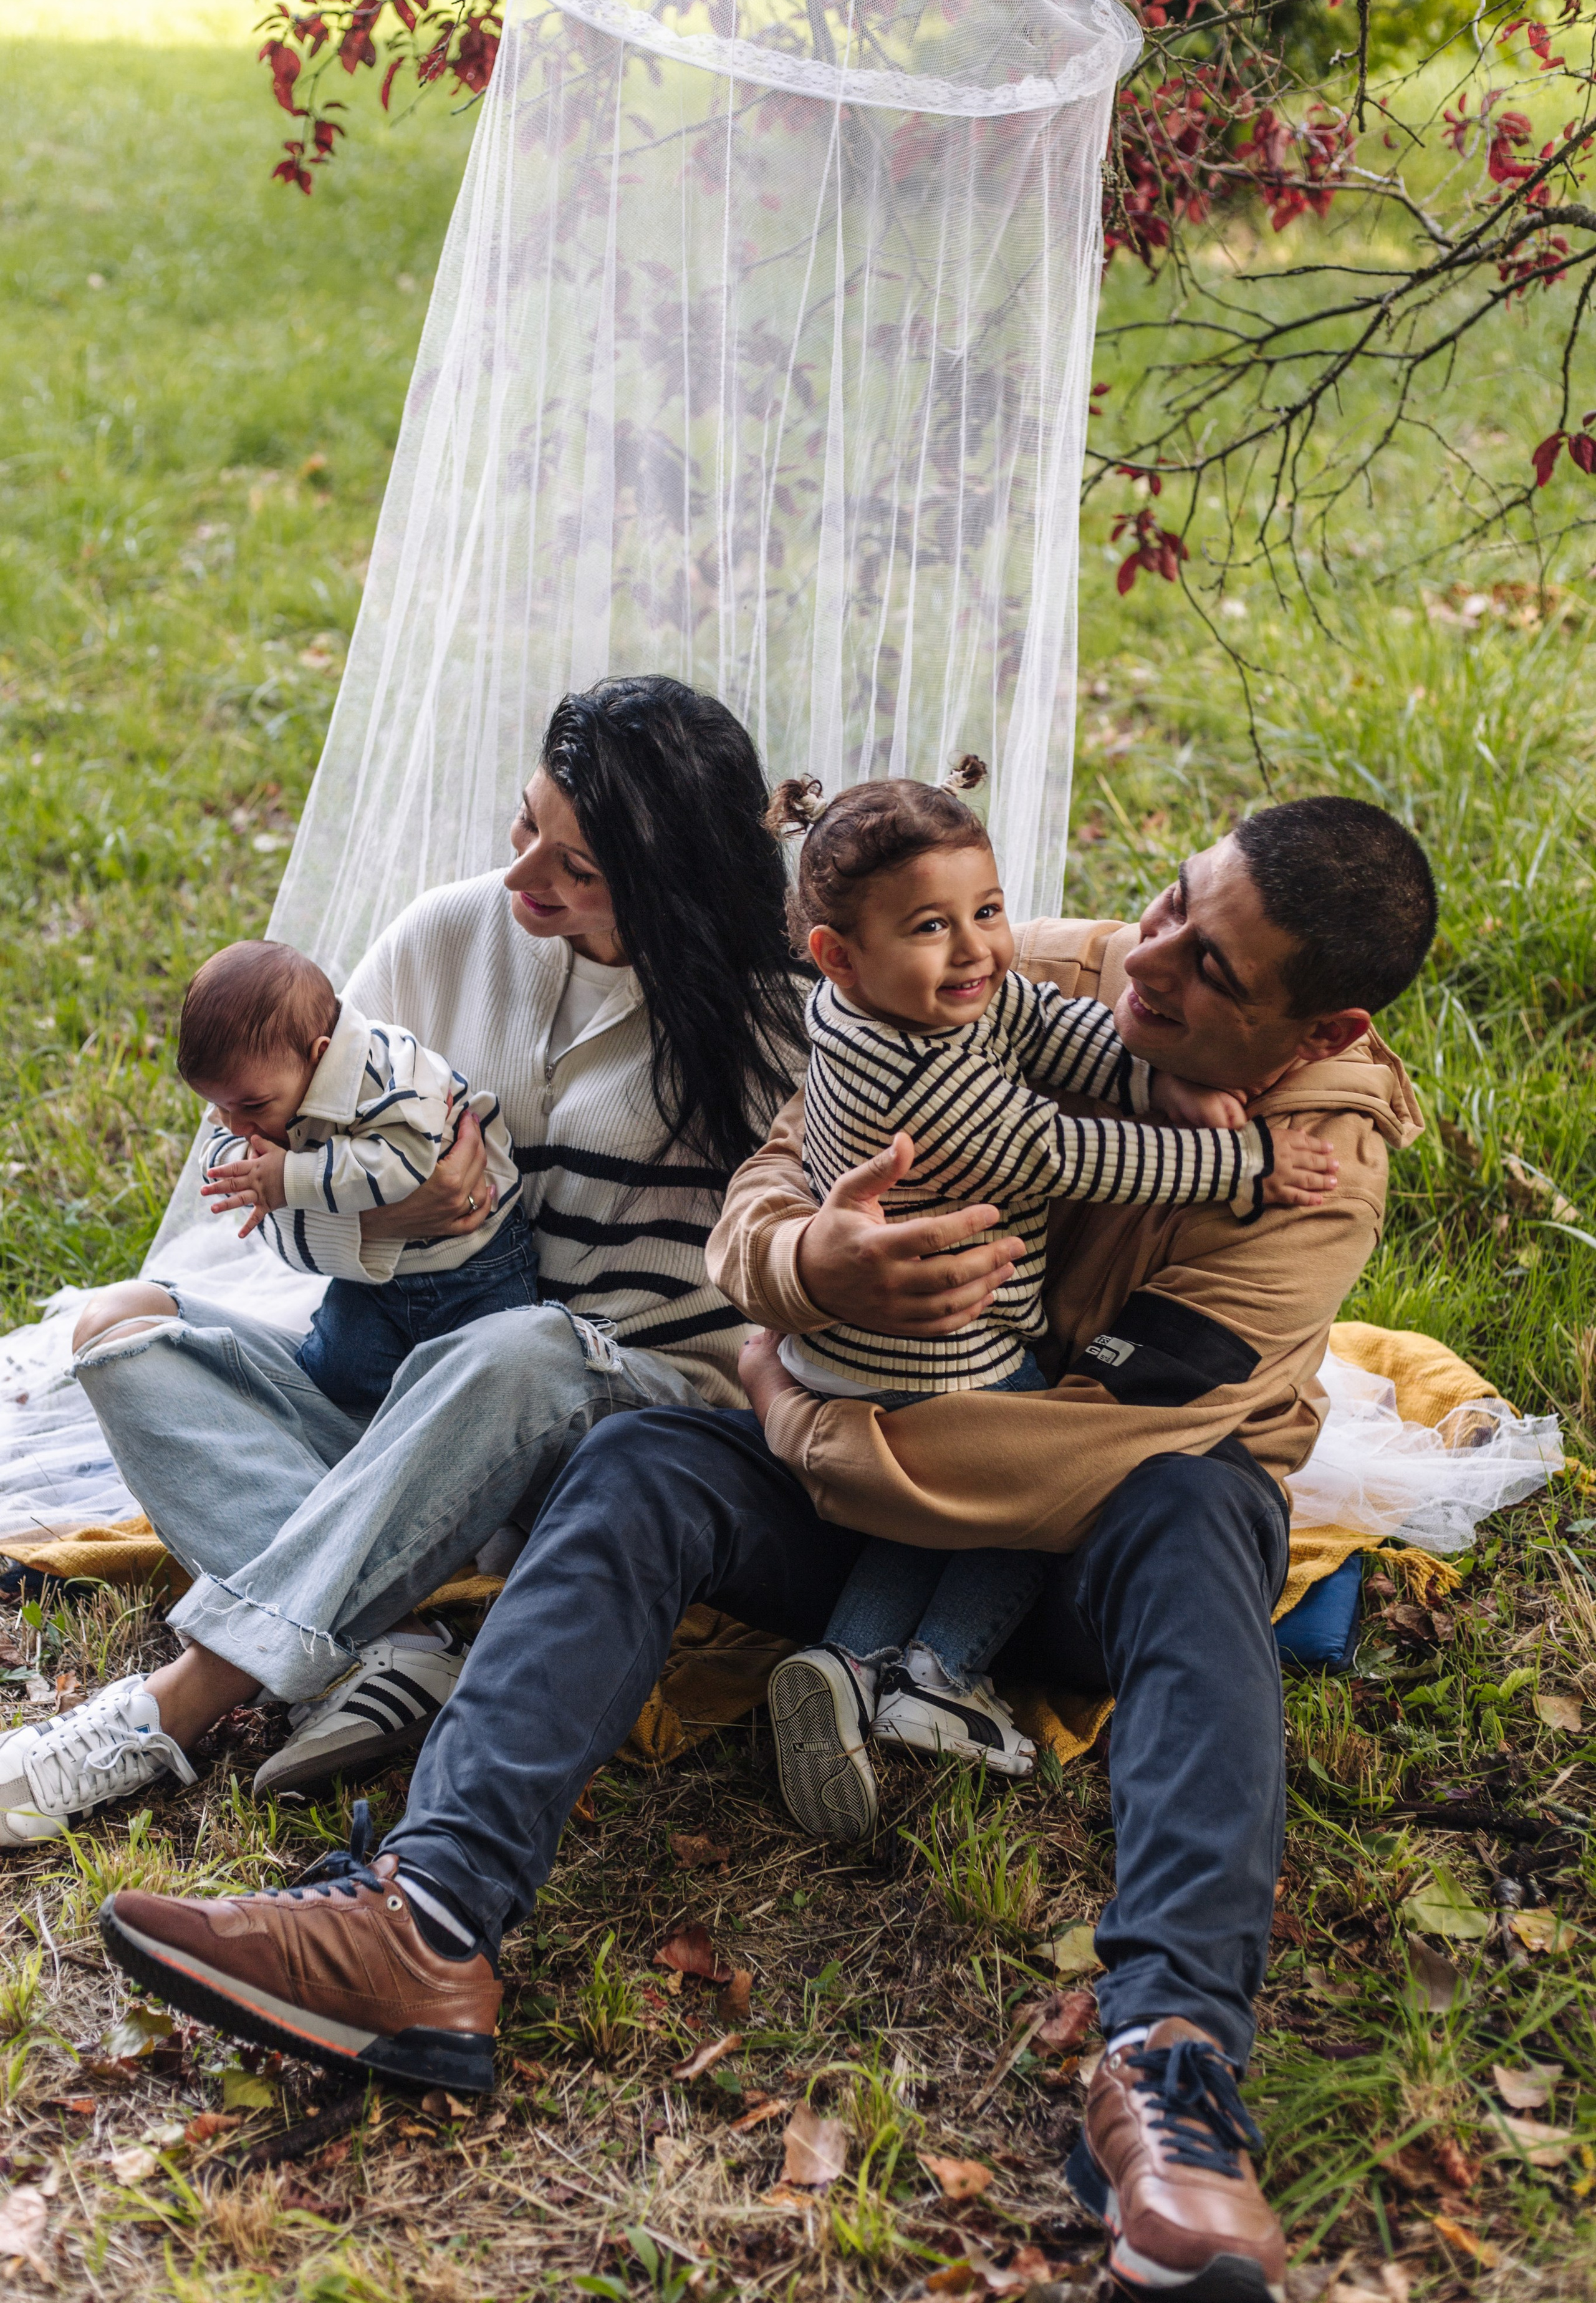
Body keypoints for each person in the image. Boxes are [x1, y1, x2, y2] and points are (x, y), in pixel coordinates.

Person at [97, 794, 1434, 2303]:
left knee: (1205, 1511)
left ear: (1315, 1029)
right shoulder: (1038, 968)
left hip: (1071, 1542)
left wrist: (785, 1395)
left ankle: (1170, 2065)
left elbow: (1085, 1453)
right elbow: (780, 1159)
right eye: (1176, 900)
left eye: (1214, 970)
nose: (1155, 956)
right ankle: (430, 1919)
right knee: (642, 1454)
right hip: (871, 1435)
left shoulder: (1313, 1173)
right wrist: (802, 1264)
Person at [0, 677, 807, 1838]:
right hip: (412, 1389)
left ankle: (175, 1707)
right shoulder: (449, 934)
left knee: (521, 1348)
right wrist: (382, 1225)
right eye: (528, 824)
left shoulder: (775, 1020)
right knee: (121, 1338)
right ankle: (392, 1646)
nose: (525, 878)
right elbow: (263, 1191)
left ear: (670, 880)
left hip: (624, 1421)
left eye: (577, 869)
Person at [750, 762, 1337, 1809]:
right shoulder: (917, 1072)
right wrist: (1246, 1164)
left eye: (987, 909)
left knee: (915, 1523)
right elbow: (1062, 1150)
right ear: (838, 956)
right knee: (1029, 1498)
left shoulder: (888, 1007)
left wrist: (1153, 1078)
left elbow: (1043, 1023)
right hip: (934, 1345)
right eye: (933, 926)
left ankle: (841, 1667)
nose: (976, 947)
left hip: (858, 1353)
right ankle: (941, 1672)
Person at [183, 939, 531, 1416]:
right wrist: (235, 1164)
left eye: (251, 1107)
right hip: (374, 1280)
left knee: (494, 1383)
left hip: (477, 1265)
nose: (236, 1123)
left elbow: (406, 1162)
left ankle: (443, 1425)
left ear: (318, 1054)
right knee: (336, 1371)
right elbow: (223, 1138)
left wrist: (292, 1178)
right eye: (220, 1105)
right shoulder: (259, 1084)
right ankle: (384, 1426)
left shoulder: (392, 1072)